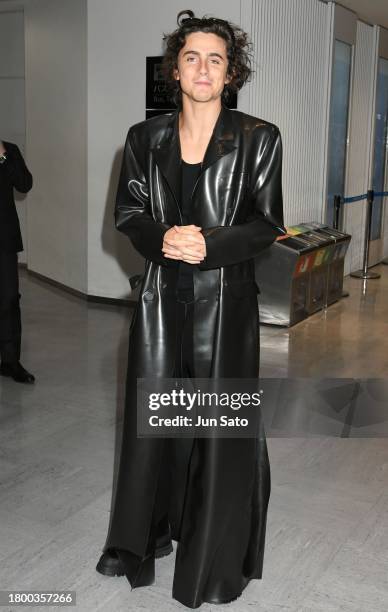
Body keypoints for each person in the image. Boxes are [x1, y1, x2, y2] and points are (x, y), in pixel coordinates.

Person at [96, 11, 285, 608]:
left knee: (218, 426)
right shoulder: (142, 138)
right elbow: (129, 216)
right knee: (156, 420)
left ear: (231, 74)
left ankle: (214, 554)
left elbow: (267, 224)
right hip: (160, 298)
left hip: (226, 305)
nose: (203, 69)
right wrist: (163, 239)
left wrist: (211, 243)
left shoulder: (259, 135)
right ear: (175, 68)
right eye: (192, 57)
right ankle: (142, 537)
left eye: (216, 60)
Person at [0, 140, 34, 384]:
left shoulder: (9, 150)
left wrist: (2, 155)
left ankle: (11, 362)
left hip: (4, 238)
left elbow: (24, 184)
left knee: (9, 300)